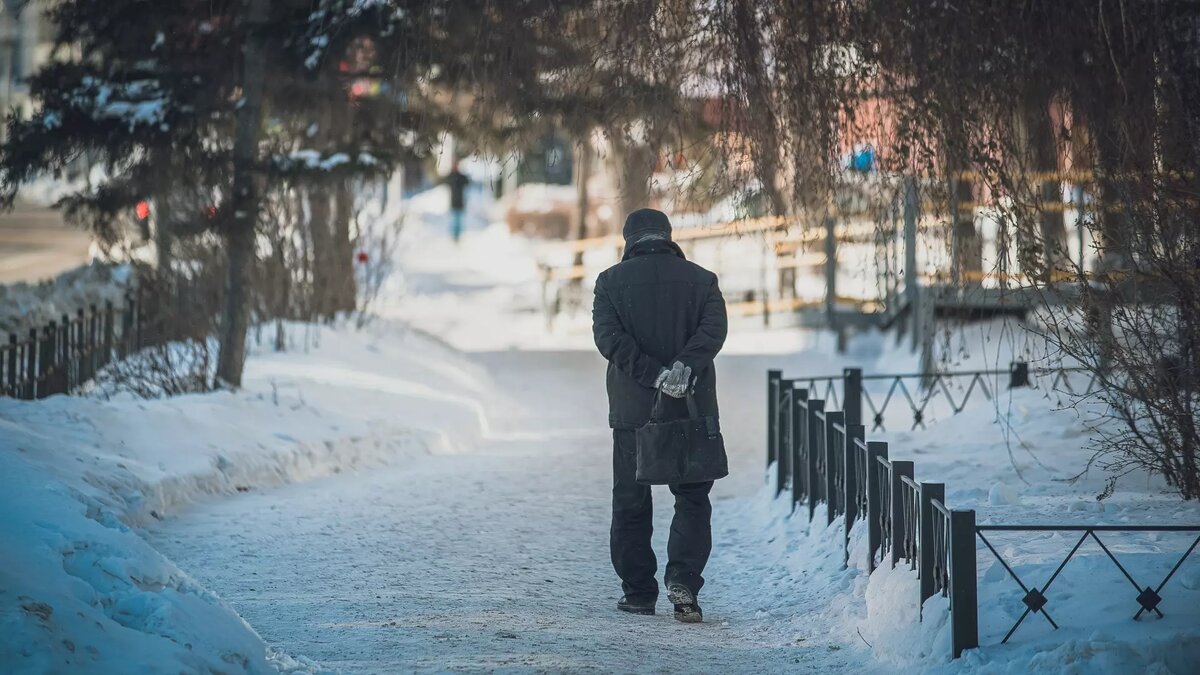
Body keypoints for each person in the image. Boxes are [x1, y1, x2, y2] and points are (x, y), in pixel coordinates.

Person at [591, 208, 728, 623]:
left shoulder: (610, 282)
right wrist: (683, 367)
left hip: (634, 412)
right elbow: (713, 331)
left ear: (628, 240)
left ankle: (638, 593)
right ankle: (684, 580)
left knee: (631, 500)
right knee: (692, 497)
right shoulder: (702, 280)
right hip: (691, 408)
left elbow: (609, 339)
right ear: (668, 237)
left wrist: (653, 374)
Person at [444, 161, 469, 242]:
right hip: (453, 203)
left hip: (460, 202)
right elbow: (446, 180)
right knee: (454, 221)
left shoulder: (461, 176)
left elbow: (467, 181)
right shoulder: (451, 176)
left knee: (458, 221)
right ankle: (454, 236)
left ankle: (457, 236)